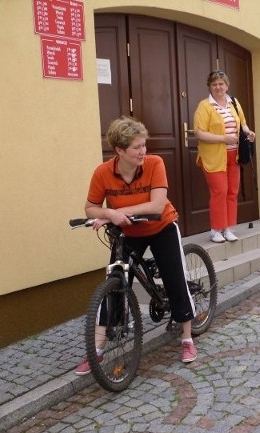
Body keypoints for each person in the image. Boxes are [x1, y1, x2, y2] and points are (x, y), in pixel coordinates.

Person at [75, 116, 198, 375]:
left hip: (161, 227)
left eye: (144, 145)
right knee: (114, 285)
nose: (143, 151)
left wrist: (115, 212)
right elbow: (90, 207)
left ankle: (187, 338)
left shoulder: (155, 163)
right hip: (128, 233)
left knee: (175, 279)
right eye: (137, 147)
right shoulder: (103, 172)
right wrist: (110, 215)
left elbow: (156, 205)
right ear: (120, 151)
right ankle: (96, 352)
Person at [193, 70, 255, 243]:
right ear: (209, 87)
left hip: (233, 155)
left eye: (221, 84)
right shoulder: (204, 106)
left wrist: (248, 132)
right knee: (219, 191)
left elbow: (242, 123)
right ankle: (215, 230)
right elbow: (199, 133)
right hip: (213, 157)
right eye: (214, 84)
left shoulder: (233, 102)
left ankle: (227, 228)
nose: (218, 87)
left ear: (227, 85)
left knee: (232, 192)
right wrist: (223, 138)